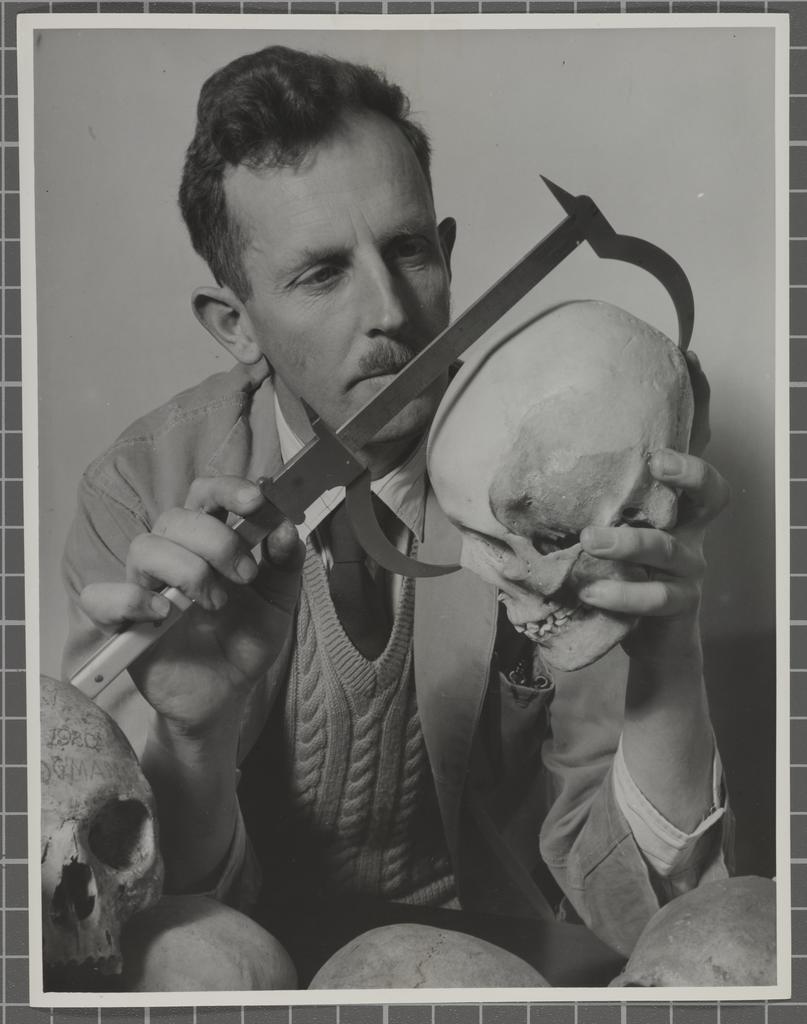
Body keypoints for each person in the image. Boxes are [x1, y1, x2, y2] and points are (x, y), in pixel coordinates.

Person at [61, 45, 732, 983]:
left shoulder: (562, 468)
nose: (390, 312)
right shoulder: (139, 500)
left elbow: (642, 908)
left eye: (408, 249)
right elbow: (120, 899)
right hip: (245, 954)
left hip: (485, 959)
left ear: (447, 254)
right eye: (321, 274)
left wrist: (667, 655)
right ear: (234, 324)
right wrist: (194, 737)